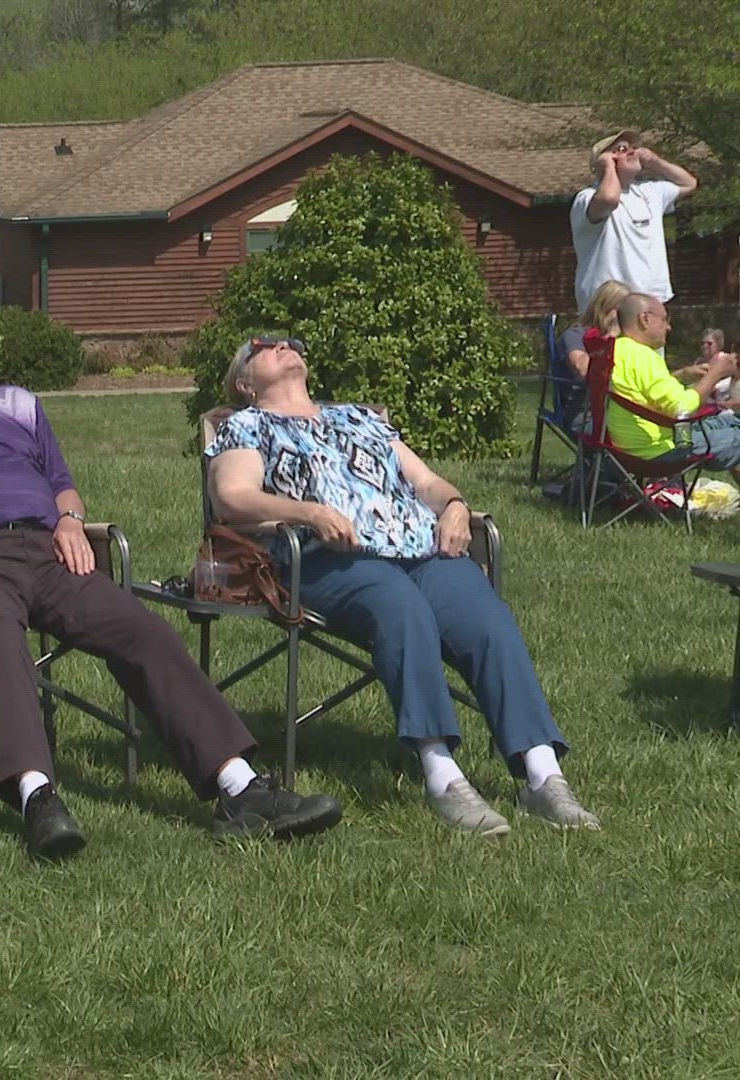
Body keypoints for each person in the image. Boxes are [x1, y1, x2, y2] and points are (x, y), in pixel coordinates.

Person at [0, 302, 346, 859]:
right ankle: (38, 798)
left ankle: (240, 788)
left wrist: (72, 521)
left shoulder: (17, 402)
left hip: (47, 551)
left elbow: (62, 484)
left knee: (142, 631)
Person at [206, 336, 601, 835]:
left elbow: (427, 483)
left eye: (292, 342)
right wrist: (307, 512)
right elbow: (231, 498)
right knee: (400, 608)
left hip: (421, 551)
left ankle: (543, 775)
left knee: (486, 619)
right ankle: (442, 773)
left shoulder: (361, 418)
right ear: (245, 382)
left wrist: (455, 505)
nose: (285, 345)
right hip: (327, 559)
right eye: (265, 345)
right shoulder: (247, 426)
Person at [605, 293, 740, 482]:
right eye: (664, 319)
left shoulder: (617, 350)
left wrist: (684, 376)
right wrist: (715, 374)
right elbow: (682, 408)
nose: (668, 327)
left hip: (627, 447)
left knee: (729, 423)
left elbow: (649, 394)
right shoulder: (644, 356)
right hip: (660, 451)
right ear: (645, 319)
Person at [571, 129, 697, 313]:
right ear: (603, 160)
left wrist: (656, 162)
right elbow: (609, 199)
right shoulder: (587, 198)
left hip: (651, 301)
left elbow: (689, 183)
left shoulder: (649, 192)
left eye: (633, 147)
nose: (632, 152)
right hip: (609, 304)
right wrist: (608, 167)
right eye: (621, 149)